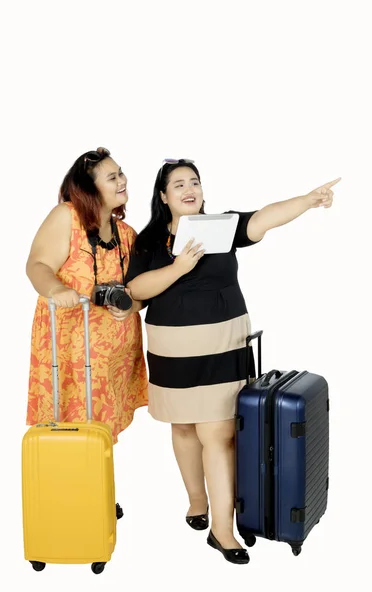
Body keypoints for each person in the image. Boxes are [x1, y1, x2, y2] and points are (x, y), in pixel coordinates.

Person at [126, 158, 338, 564]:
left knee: (219, 435)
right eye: (178, 184)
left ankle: (221, 530)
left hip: (223, 346)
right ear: (163, 196)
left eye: (195, 182)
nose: (189, 189)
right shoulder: (150, 241)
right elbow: (137, 291)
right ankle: (196, 502)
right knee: (185, 427)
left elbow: (264, 218)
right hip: (172, 349)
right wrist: (178, 267)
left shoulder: (219, 225)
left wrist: (308, 200)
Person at [26, 147, 148, 444]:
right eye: (112, 177)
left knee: (101, 440)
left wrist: (134, 305)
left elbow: (140, 289)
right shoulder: (66, 217)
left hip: (114, 360)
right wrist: (56, 289)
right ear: (90, 188)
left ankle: (94, 490)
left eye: (121, 173)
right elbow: (37, 265)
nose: (122, 180)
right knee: (70, 436)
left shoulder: (127, 233)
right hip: (70, 353)